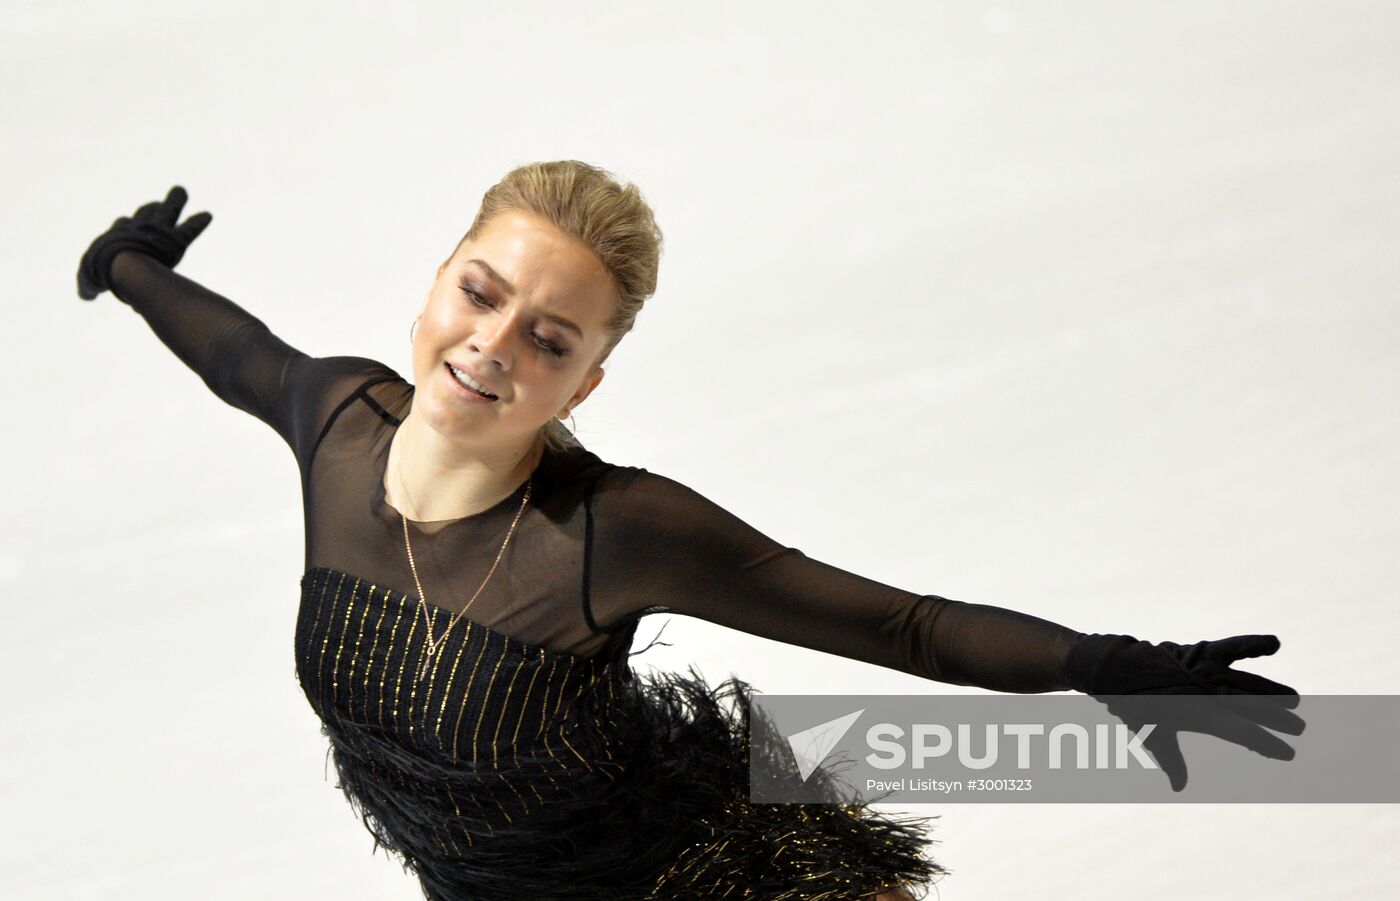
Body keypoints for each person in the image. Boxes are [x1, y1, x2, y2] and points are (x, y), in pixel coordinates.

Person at [75, 169, 1301, 901]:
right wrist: (130, 266)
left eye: (550, 339)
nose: (494, 344)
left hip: (681, 878)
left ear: (586, 385)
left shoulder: (610, 531)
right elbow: (232, 349)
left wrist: (1101, 667)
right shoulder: (338, 419)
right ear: (439, 278)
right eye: (480, 291)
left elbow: (897, 624)